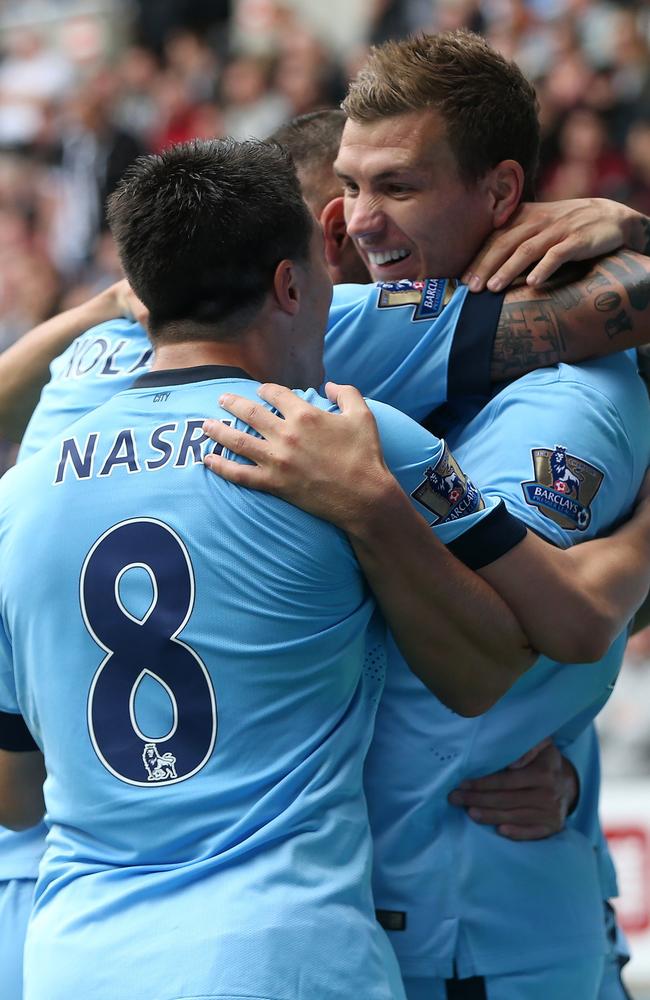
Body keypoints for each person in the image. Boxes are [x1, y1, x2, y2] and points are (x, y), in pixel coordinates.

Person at [0, 137, 546, 1000]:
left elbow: (13, 795)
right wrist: (373, 512)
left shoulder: (17, 496)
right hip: (283, 956)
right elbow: (487, 672)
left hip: (77, 961)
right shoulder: (345, 440)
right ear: (291, 287)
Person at [200, 31, 650, 1000]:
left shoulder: (561, 385)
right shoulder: (347, 344)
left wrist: (376, 505)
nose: (355, 228)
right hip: (348, 930)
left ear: (497, 196)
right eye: (339, 200)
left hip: (473, 942)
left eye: (393, 188)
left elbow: (536, 633)